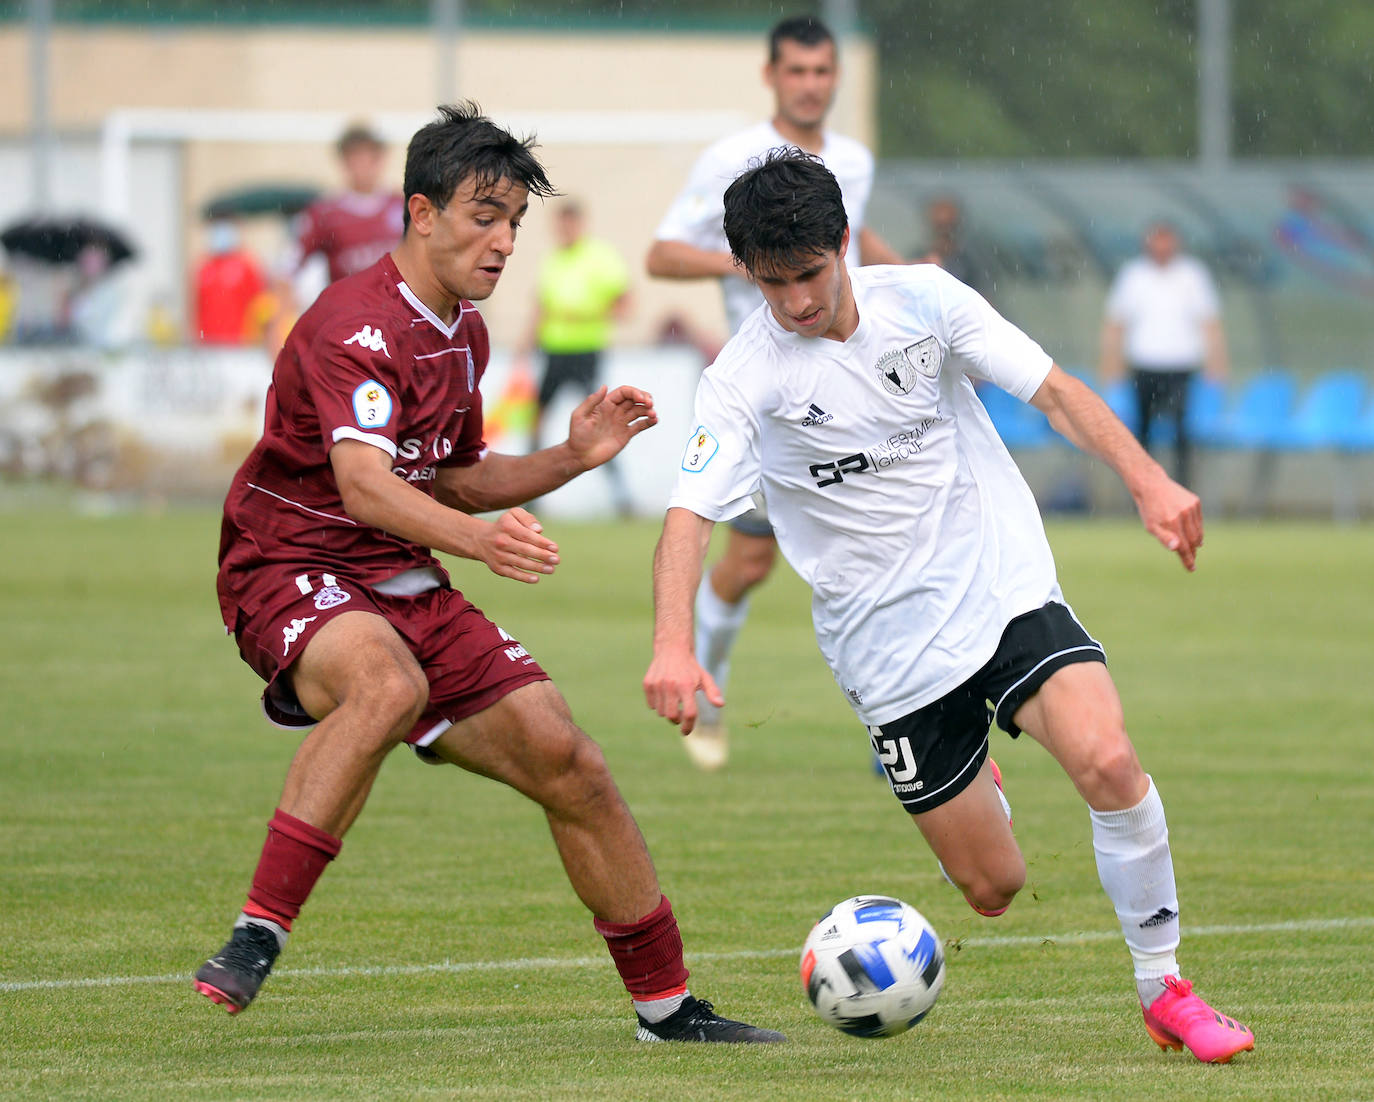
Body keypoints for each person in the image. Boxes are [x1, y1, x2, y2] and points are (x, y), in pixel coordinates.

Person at [643, 149, 1254, 1065]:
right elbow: (687, 515)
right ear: (746, 275)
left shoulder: (925, 300)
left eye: (809, 275)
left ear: (844, 244)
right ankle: (980, 789)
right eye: (772, 285)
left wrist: (1148, 480)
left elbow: (1054, 390)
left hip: (999, 589)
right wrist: (673, 646)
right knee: (993, 889)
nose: (798, 303)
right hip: (884, 652)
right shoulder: (743, 378)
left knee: (1109, 759)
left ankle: (1165, 987)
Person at [193, 103, 783, 1047]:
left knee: (570, 759)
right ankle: (256, 935)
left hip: (393, 569)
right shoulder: (355, 322)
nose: (504, 240)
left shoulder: (462, 331)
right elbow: (365, 485)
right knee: (386, 685)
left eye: (514, 221)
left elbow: (454, 476)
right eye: (483, 215)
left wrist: (572, 456)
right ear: (420, 213)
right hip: (288, 560)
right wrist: (479, 545)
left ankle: (667, 1011)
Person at [645, 14, 903, 771]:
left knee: (885, 543)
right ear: (771, 76)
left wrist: (911, 271)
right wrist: (761, 264)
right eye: (796, 72)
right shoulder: (732, 158)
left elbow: (851, 236)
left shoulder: (852, 160)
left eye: (823, 72)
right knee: (748, 564)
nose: (811, 86)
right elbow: (660, 254)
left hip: (852, 384)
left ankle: (914, 717)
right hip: (766, 395)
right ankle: (711, 677)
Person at [517, 200, 634, 515]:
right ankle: (530, 493)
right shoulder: (553, 261)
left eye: (569, 224)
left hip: (585, 351)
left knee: (598, 420)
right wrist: (525, 342)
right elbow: (542, 306)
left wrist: (584, 315)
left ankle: (621, 495)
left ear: (580, 224)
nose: (564, 231)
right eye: (560, 225)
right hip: (553, 351)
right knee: (536, 421)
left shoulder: (600, 258)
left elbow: (625, 305)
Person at [1099, 221, 1228, 488]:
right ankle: (1144, 493)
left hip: (1181, 366)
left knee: (1182, 433)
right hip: (1144, 366)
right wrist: (1110, 365)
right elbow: (1116, 324)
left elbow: (1209, 323)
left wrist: (1216, 364)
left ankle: (1182, 490)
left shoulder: (1192, 275)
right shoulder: (1133, 275)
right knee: (1141, 434)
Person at [283, 121, 407, 291]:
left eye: (369, 157)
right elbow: (289, 265)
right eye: (355, 157)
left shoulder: (402, 205)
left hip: (398, 311)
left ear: (380, 159)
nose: (363, 165)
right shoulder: (324, 214)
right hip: (350, 311)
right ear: (344, 161)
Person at [193, 218, 265, 344]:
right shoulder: (204, 268)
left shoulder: (246, 266)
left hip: (239, 343)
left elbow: (258, 305)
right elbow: (197, 307)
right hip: (209, 343)